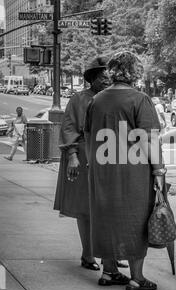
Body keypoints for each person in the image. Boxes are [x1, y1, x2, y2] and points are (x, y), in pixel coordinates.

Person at [84, 51, 165, 290]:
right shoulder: (139, 99)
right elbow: (149, 139)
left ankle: (109, 272)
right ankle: (137, 278)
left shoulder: (96, 100)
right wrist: (159, 170)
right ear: (135, 71)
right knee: (136, 219)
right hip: (133, 171)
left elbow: (88, 135)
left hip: (101, 168)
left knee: (105, 217)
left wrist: (93, 163)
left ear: (112, 71)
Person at [54, 57, 127, 271]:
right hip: (84, 156)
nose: (106, 80)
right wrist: (73, 156)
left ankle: (109, 256)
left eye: (109, 76)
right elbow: (68, 129)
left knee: (110, 208)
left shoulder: (115, 97)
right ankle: (88, 254)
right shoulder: (79, 99)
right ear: (92, 79)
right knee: (86, 209)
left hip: (111, 158)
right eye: (102, 77)